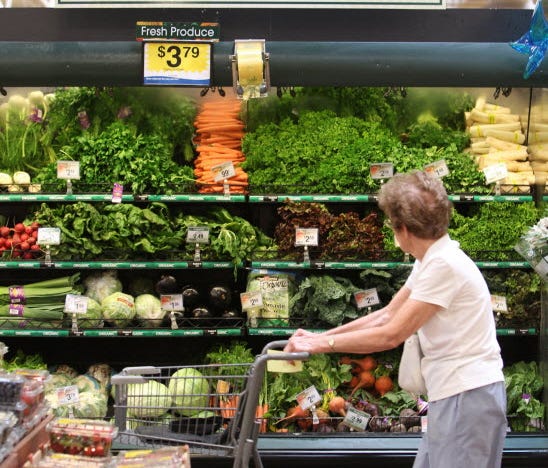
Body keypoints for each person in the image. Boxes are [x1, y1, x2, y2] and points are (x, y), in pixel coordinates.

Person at [284, 170, 507, 468]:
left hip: (467, 398)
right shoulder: (431, 259)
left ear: (402, 229)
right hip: (455, 396)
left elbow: (391, 334)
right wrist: (317, 337)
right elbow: (388, 313)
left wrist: (323, 345)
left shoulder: (445, 266)